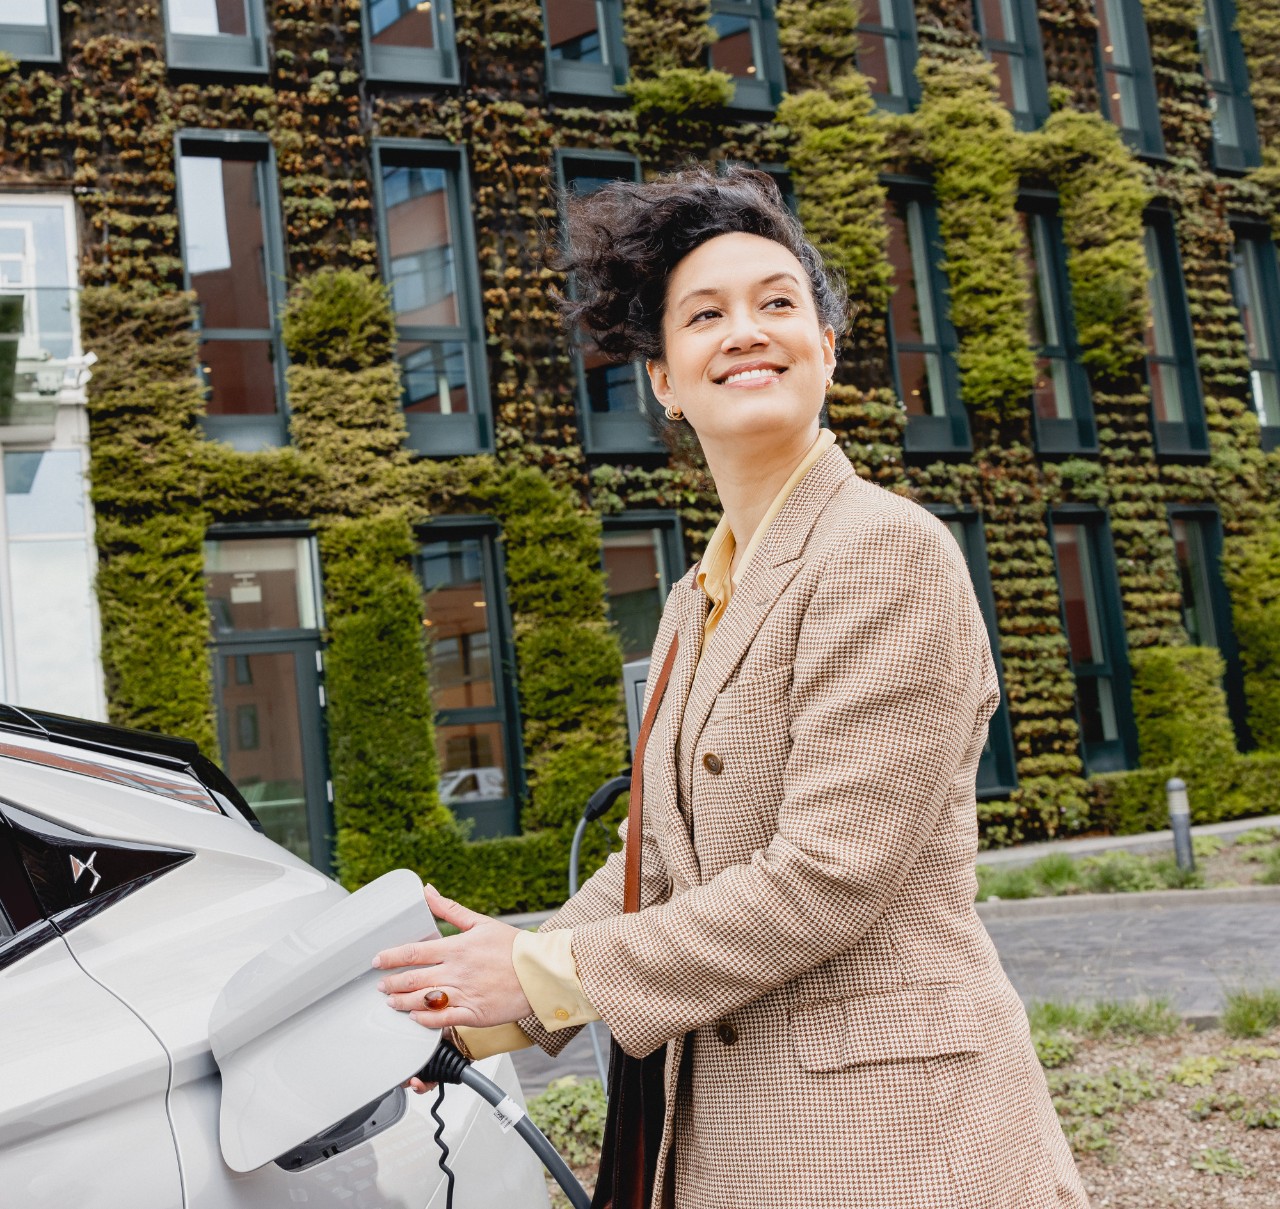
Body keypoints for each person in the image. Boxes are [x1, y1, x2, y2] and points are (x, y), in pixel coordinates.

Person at [374, 165, 1090, 1208]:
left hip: (897, 1139)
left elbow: (827, 876)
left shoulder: (886, 550)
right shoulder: (688, 602)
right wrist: (467, 1005)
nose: (745, 330)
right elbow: (651, 867)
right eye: (704, 315)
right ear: (662, 378)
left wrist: (543, 972)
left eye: (777, 304)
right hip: (729, 1127)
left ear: (824, 349)